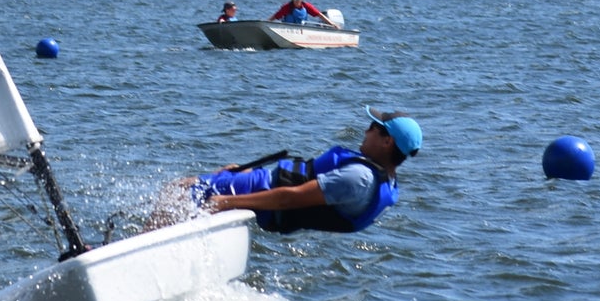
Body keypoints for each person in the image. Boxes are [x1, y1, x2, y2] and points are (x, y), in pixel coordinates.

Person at [162, 109, 422, 234]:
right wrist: (246, 171)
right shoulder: (385, 180)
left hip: (261, 190)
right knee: (184, 187)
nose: (366, 131)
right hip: (261, 183)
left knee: (177, 191)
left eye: (373, 127)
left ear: (388, 142)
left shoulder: (359, 179)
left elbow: (289, 198)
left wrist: (226, 201)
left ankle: (139, 250)